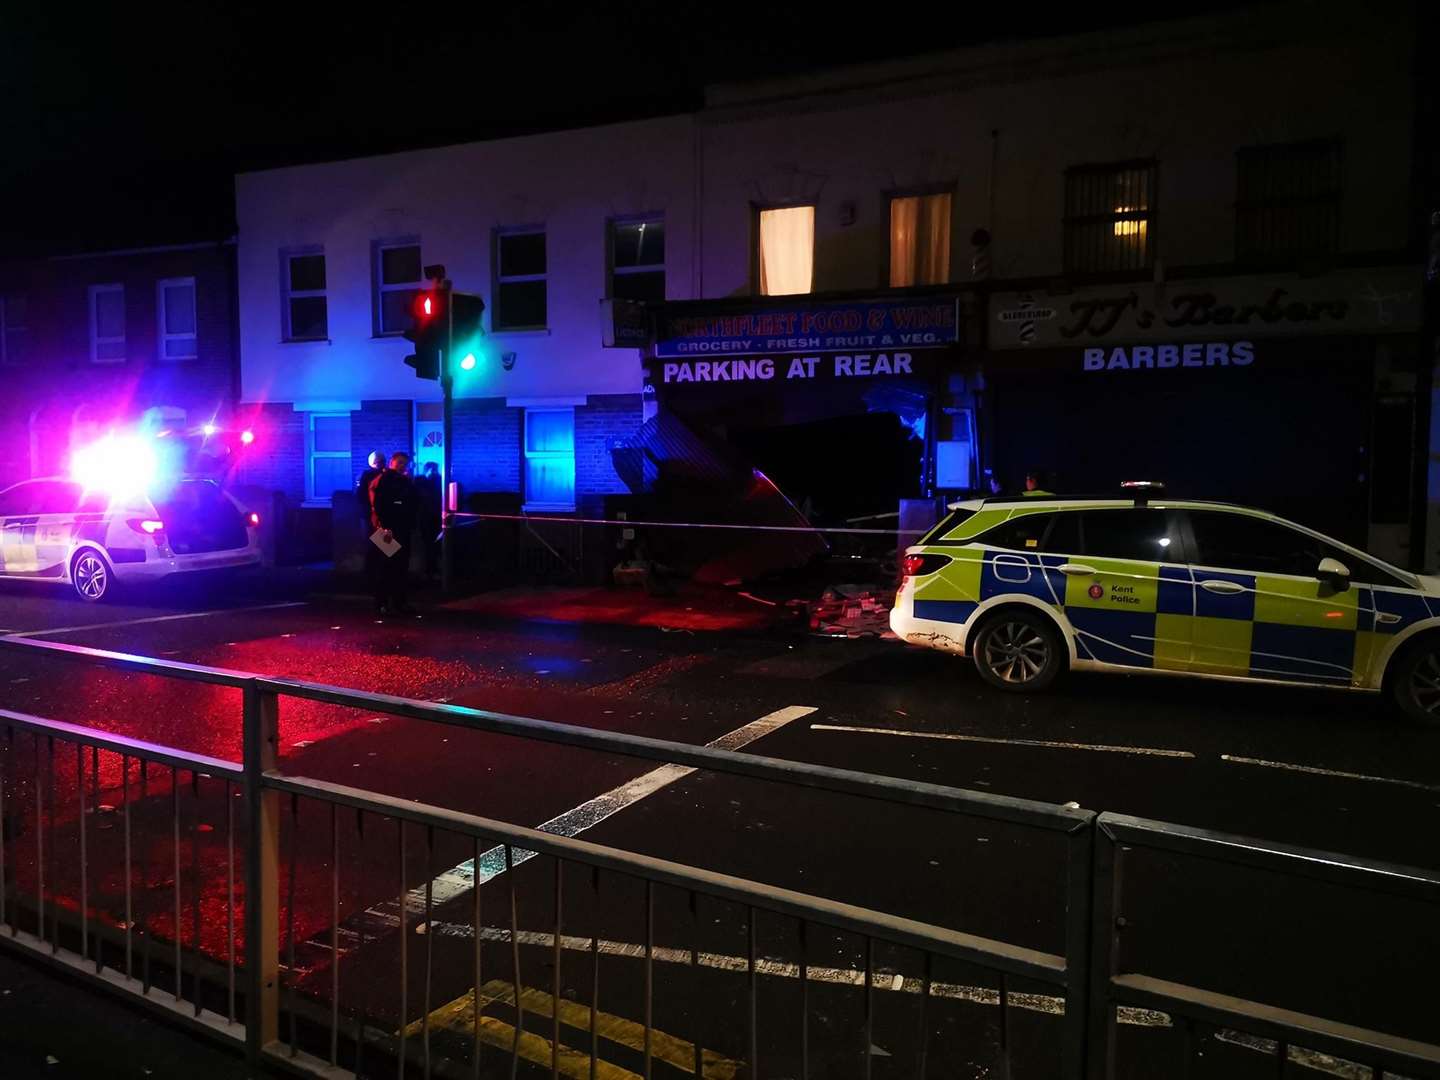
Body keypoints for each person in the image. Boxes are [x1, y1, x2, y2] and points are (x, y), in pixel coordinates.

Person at [367, 452, 418, 615]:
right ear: (392, 463)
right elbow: (379, 505)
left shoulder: (402, 480)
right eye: (400, 462)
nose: (403, 466)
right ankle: (383, 603)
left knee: (399, 567)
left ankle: (396, 602)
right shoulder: (385, 480)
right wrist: (385, 527)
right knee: (386, 567)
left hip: (398, 528)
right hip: (385, 529)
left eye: (405, 463)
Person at [416, 461, 443, 577]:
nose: (434, 472)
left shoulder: (435, 480)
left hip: (433, 516)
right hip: (427, 517)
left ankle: (432, 568)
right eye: (433, 470)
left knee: (433, 544)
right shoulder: (421, 481)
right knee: (428, 544)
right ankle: (430, 569)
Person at [357, 451, 385, 525]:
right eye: (378, 462)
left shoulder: (387, 475)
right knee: (372, 534)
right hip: (370, 513)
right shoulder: (367, 475)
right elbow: (361, 495)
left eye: (381, 461)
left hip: (381, 512)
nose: (380, 464)